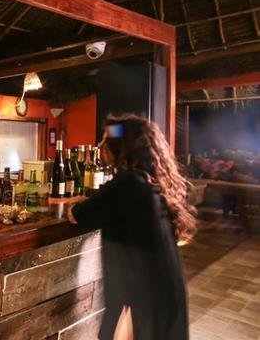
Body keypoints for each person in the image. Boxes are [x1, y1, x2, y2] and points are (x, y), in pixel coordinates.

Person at [66, 114, 196, 340]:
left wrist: (76, 204)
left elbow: (77, 215)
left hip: (141, 302)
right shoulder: (151, 183)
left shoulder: (126, 184)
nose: (99, 145)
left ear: (120, 146)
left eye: (105, 140)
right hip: (164, 294)